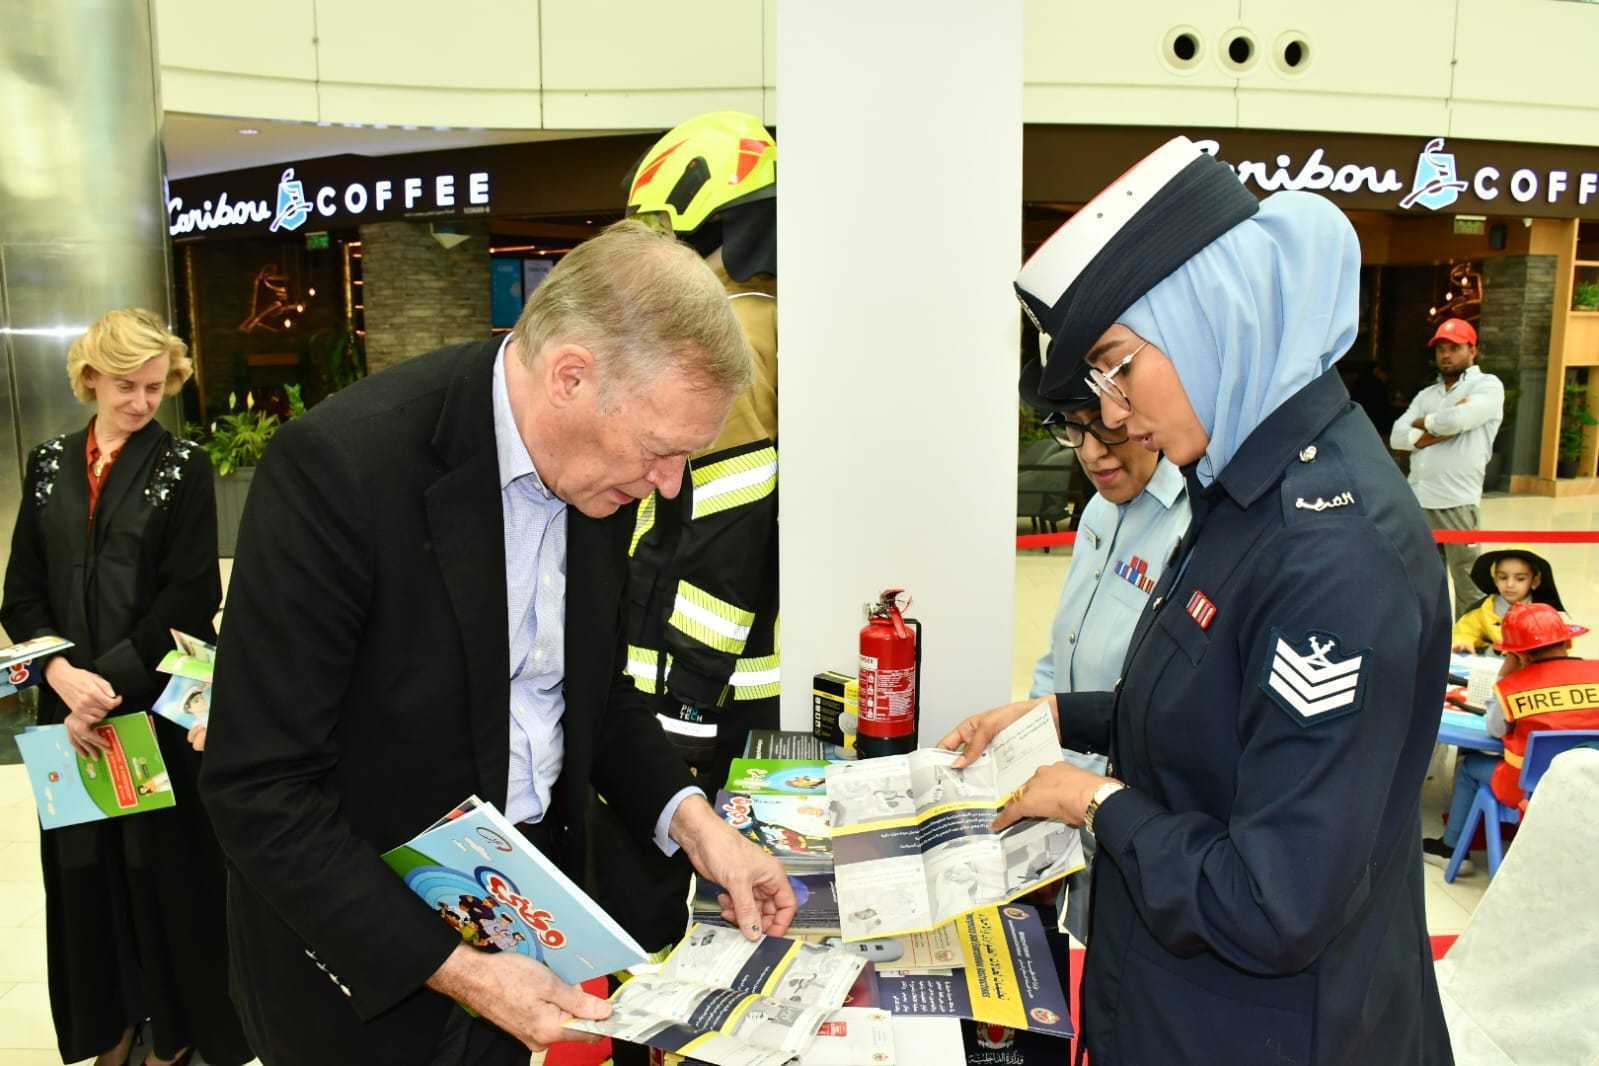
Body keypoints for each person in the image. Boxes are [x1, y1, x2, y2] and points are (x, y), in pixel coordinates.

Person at [198, 221, 796, 1066]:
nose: (668, 487)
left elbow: (593, 690)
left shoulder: (597, 472)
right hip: (369, 963)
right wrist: (461, 972)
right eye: (660, 451)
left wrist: (698, 826)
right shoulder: (340, 469)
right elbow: (258, 787)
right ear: (570, 377)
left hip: (527, 920)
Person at [944, 137, 1452, 1064]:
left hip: (1269, 1031)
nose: (1110, 414)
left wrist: (1096, 802)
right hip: (1176, 1005)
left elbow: (1274, 902)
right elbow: (1219, 710)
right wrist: (1059, 717)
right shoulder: (1235, 492)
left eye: (1117, 367)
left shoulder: (1329, 554)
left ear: (1210, 314)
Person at [1, 308, 252, 1066]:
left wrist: (100, 684)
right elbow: (22, 592)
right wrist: (59, 674)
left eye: (153, 386)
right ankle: (108, 1028)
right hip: (67, 711)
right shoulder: (48, 463)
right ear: (90, 379)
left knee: (158, 871)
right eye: (125, 386)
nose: (141, 402)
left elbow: (189, 597)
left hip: (147, 707)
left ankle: (173, 1034)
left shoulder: (184, 466)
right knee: (83, 873)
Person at [597, 111, 782, 954]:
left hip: (693, 685)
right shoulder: (773, 320)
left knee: (665, 911)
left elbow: (717, 534)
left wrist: (682, 706)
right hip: (736, 678)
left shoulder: (728, 338)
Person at [1018, 372, 1190, 944]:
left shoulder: (1191, 527)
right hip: (1064, 798)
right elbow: (1064, 649)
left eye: (1105, 429)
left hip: (1128, 815)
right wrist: (1031, 761)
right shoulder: (1098, 510)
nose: (1091, 453)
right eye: (1074, 429)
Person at [1425, 602, 1598, 871]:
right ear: (1567, 642)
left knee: (1469, 767)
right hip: (1590, 780)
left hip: (1526, 788)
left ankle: (1451, 849)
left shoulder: (1513, 688)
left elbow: (1495, 729)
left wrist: (1504, 676)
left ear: (1520, 657)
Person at [1390, 317, 1505, 620]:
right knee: (1425, 583)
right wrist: (1436, 430)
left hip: (1457, 501)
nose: (1446, 354)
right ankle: (1433, 642)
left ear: (1472, 350)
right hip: (1418, 501)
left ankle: (1468, 644)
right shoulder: (1427, 395)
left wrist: (1425, 423)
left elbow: (1456, 420)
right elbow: (1397, 436)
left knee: (1469, 583)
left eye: (1454, 348)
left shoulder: (1488, 386)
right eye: (1441, 348)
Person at [1451, 545, 1565, 653]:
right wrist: (1462, 642)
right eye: (1503, 577)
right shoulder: (1484, 610)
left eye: (1520, 579)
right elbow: (1465, 631)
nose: (1510, 584)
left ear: (1535, 581)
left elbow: (1560, 644)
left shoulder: (1545, 614)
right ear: (1495, 579)